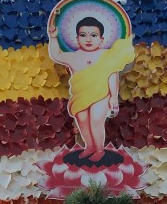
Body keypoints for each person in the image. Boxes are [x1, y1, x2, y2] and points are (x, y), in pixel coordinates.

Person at [48, 13, 134, 163]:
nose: (88, 39)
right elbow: (56, 55)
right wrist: (53, 37)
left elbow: (112, 75)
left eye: (93, 35)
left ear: (101, 39)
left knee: (96, 120)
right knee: (82, 120)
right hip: (80, 96)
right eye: (83, 35)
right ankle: (90, 147)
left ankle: (99, 150)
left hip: (101, 94)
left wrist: (113, 97)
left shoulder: (106, 56)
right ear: (77, 39)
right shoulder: (74, 56)